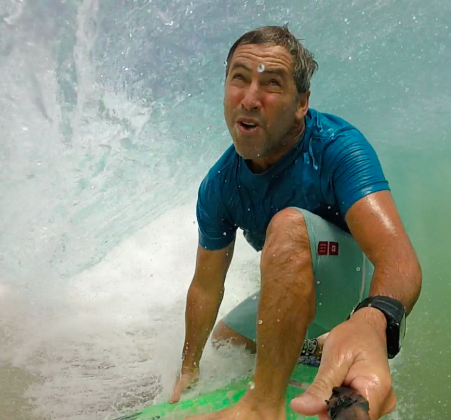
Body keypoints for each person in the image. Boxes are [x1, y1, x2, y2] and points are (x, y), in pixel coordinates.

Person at [169, 25, 422, 420]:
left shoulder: (337, 148)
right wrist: (189, 368)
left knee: (287, 225)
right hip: (304, 287)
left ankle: (263, 407)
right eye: (239, 78)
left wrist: (372, 321)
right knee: (227, 343)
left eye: (271, 84)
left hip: (356, 292)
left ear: (301, 103)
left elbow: (399, 259)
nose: (250, 99)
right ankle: (317, 350)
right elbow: (205, 287)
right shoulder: (219, 185)